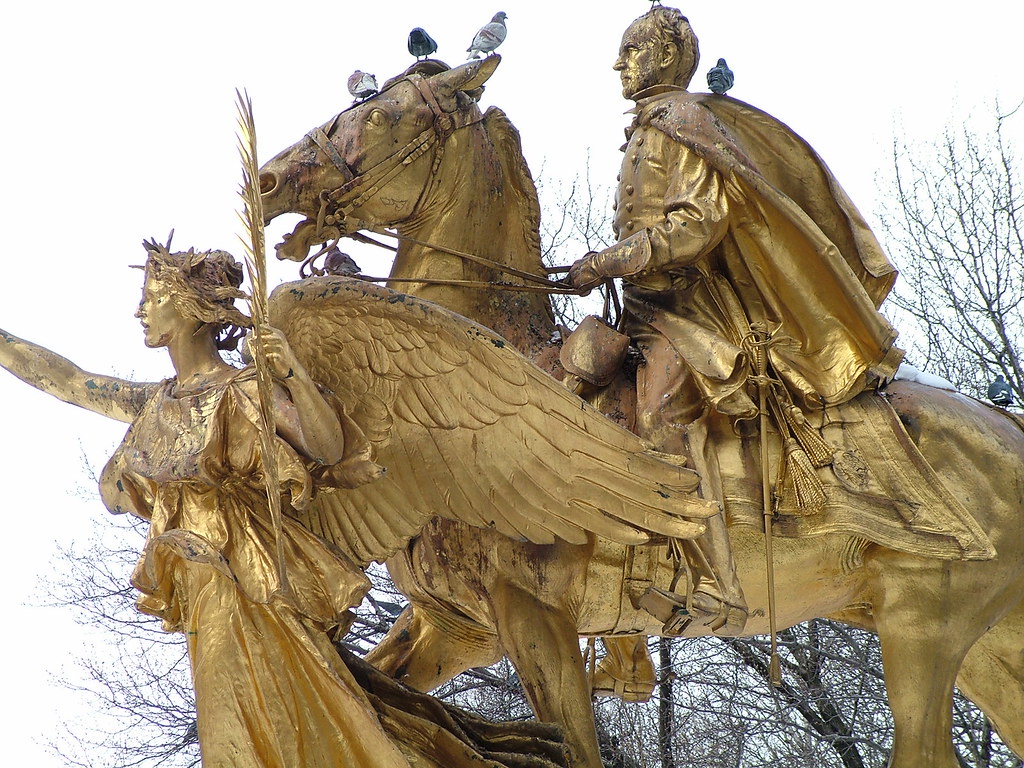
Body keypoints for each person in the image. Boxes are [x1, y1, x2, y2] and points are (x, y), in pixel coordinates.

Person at [0, 242, 568, 768]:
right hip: (203, 591)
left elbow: (327, 447)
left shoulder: (244, 390)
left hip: (246, 587)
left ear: (190, 308)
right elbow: (70, 380)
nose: (139, 312)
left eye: (150, 298)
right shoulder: (156, 403)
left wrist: (292, 370)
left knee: (247, 732)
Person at [569, 7, 902, 642]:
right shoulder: (645, 127)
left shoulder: (681, 122)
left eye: (632, 49)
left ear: (665, 56)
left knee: (661, 414)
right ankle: (620, 616)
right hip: (643, 304)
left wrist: (613, 258)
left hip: (694, 306)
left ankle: (713, 585)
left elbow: (698, 223)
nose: (619, 63)